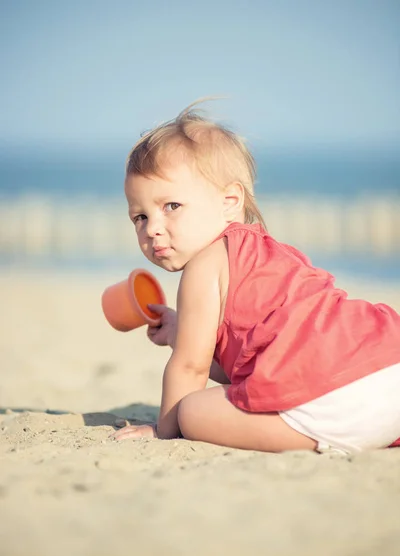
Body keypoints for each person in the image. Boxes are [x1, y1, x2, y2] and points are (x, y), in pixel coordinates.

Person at [113, 101, 400, 454]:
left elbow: (190, 366)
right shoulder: (268, 254)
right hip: (386, 370)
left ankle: (325, 439)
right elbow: (249, 367)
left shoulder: (204, 267)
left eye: (171, 206)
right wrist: (179, 331)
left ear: (230, 201)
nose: (153, 229)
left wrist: (164, 429)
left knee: (191, 412)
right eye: (139, 217)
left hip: (337, 400)